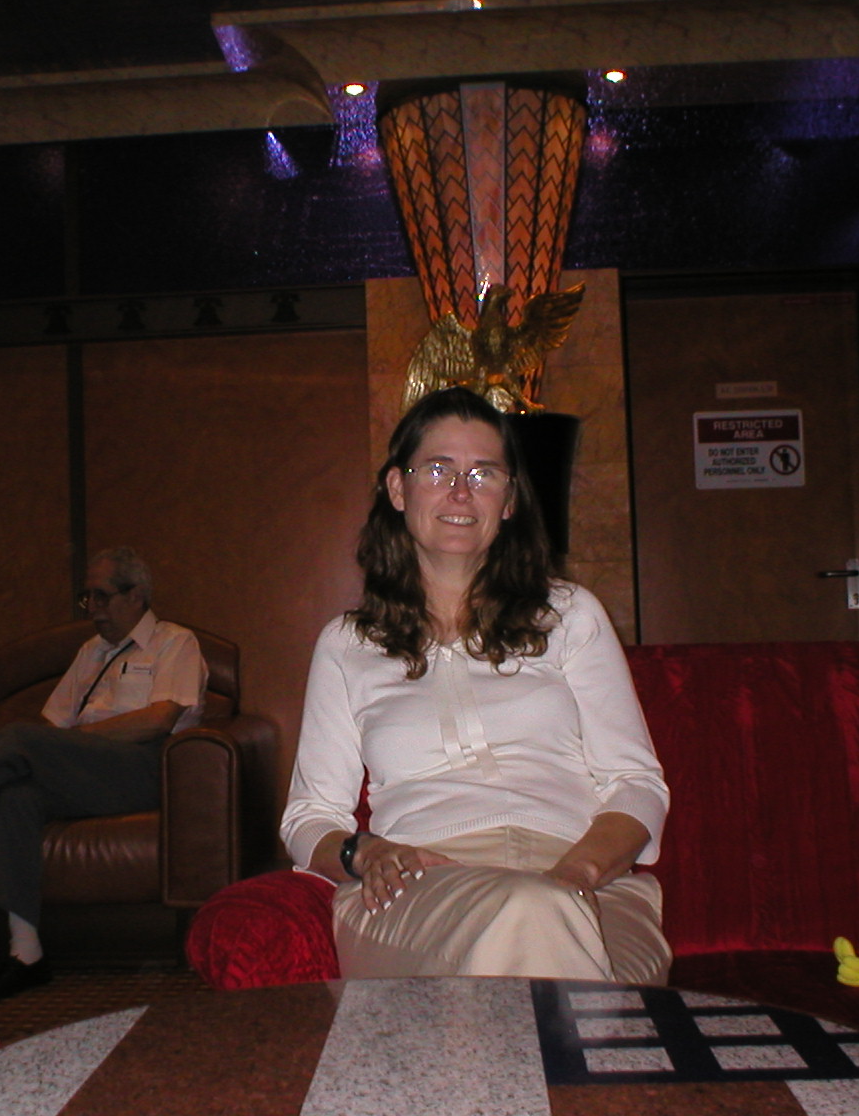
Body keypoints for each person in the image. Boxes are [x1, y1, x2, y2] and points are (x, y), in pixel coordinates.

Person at [280, 386, 672, 982]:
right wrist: (366, 851)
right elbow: (309, 817)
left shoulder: (570, 615)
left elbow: (637, 786)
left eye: (484, 473)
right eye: (438, 469)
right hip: (422, 890)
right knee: (543, 934)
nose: (461, 491)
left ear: (509, 500)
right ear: (398, 489)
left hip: (588, 881)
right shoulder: (347, 644)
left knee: (543, 923)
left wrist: (575, 877)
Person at [0, 548, 208, 1000]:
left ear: (136, 595)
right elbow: (52, 725)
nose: (93, 609)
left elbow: (159, 719)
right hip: (84, 769)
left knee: (17, 738)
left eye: (102, 596)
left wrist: (75, 740)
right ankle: (26, 954)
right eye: (88, 599)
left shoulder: (175, 642)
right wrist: (63, 747)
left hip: (143, 768)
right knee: (16, 797)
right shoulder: (90, 651)